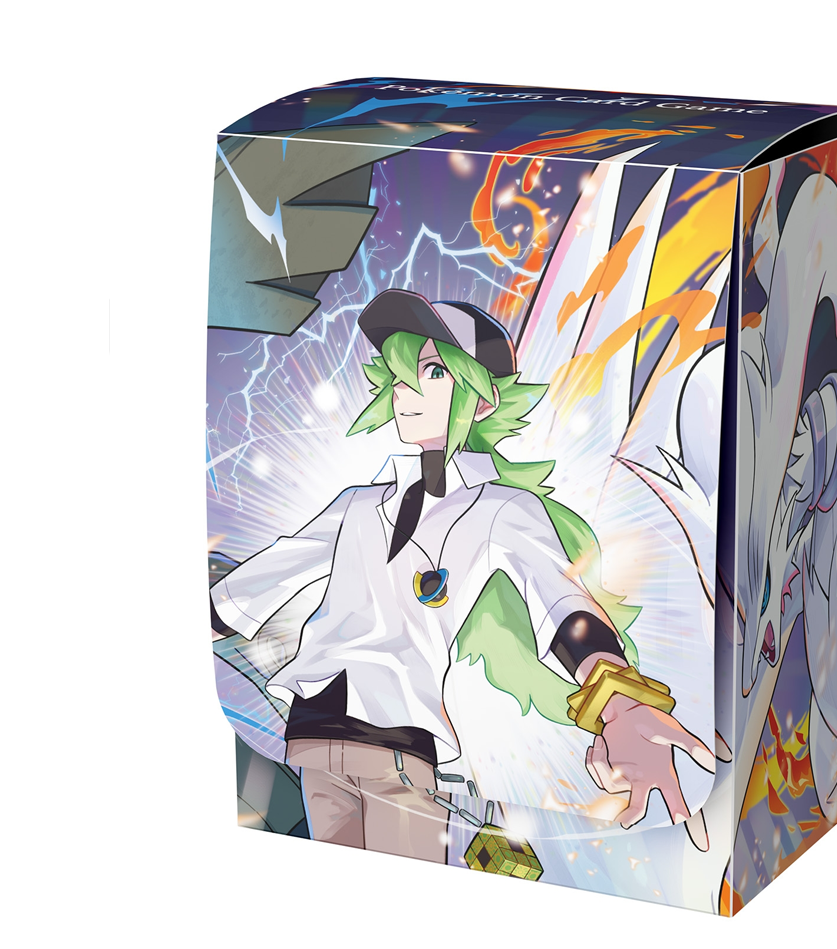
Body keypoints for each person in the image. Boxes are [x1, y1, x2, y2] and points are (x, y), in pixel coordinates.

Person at [211, 288, 719, 863]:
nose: (405, 390)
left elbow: (562, 605)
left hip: (399, 750)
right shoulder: (356, 506)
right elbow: (261, 581)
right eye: (400, 372)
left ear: (481, 401)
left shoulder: (501, 509)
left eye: (431, 371)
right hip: (314, 737)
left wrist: (619, 703)